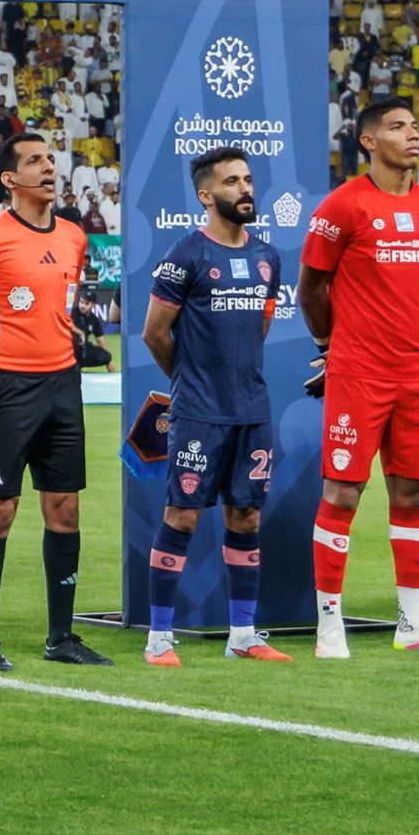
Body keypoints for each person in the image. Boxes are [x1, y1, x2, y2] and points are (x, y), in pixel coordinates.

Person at [298, 96, 419, 657]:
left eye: (415, 126)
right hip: (359, 370)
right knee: (343, 489)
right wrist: (328, 346)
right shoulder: (343, 206)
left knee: (415, 488)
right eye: (396, 127)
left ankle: (412, 622)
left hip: (417, 371)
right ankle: (329, 623)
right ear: (368, 141)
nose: (412, 135)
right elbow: (310, 288)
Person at [0, 134, 101, 671]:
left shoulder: (74, 237)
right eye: (34, 161)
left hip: (63, 387)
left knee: (64, 509)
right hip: (7, 387)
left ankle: (61, 637)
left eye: (50, 159)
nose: (47, 168)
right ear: (9, 179)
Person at [135, 144, 285, 666]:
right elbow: (155, 334)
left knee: (245, 516)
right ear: (205, 195)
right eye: (231, 182)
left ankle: (242, 635)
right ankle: (158, 639)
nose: (244, 188)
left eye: (247, 179)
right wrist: (191, 381)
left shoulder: (268, 258)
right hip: (199, 413)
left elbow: (259, 330)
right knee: (183, 516)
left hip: (253, 411)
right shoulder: (186, 256)